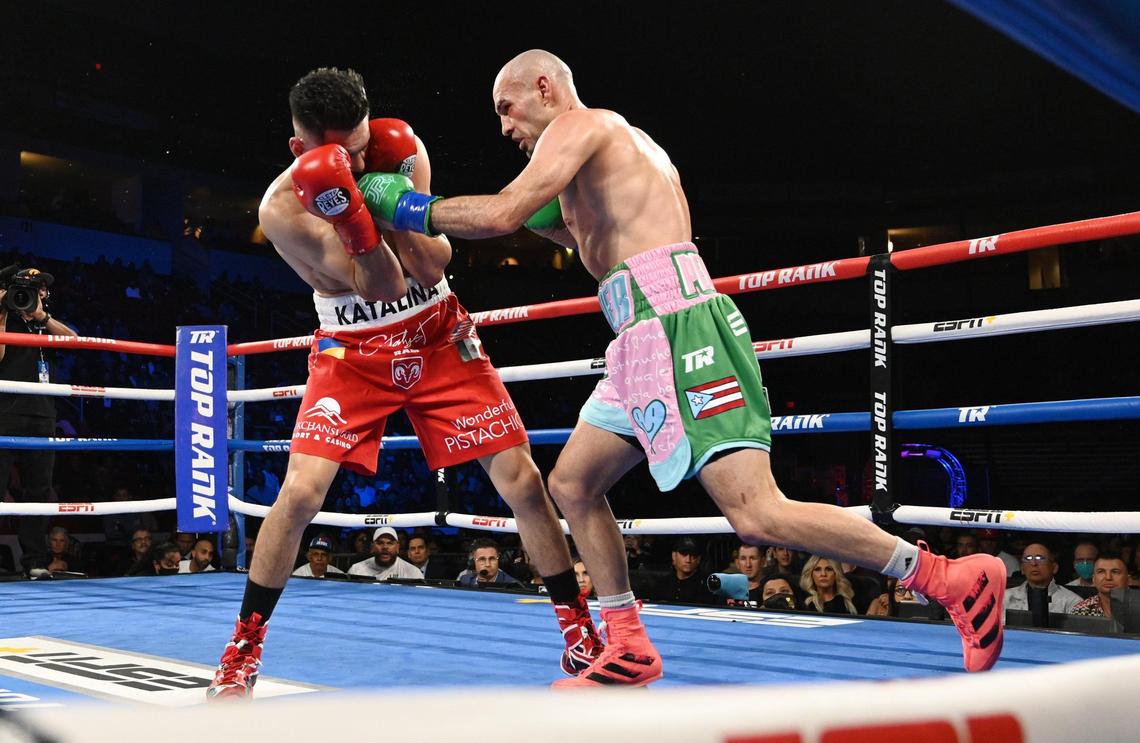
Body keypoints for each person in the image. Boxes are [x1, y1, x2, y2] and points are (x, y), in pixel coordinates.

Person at [369, 49, 1007, 685]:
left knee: (756, 513)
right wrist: (551, 221)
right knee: (573, 485)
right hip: (640, 335)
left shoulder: (582, 125)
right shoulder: (614, 149)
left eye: (507, 109)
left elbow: (503, 213)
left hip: (677, 325)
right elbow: (590, 240)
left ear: (544, 87)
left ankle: (947, 577)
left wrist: (405, 207)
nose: (505, 127)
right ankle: (626, 640)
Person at [206, 67, 599, 699]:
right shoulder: (283, 211)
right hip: (354, 348)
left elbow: (432, 260)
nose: (361, 161)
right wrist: (357, 217)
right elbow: (380, 284)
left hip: (438, 332)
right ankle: (242, 651)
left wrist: (391, 197)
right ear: (299, 150)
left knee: (522, 480)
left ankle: (579, 633)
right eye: (344, 155)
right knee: (301, 494)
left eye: (364, 147)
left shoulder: (398, 147)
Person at [0, 264, 78, 565]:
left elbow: (74, 341)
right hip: (5, 414)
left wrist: (41, 316)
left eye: (40, 289)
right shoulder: (5, 319)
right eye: (29, 289)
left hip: (43, 415)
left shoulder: (45, 323)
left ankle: (34, 560)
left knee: (39, 491)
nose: (35, 293)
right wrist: (3, 313)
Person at [1004, 543, 1082, 617]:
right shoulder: (1005, 597)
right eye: (1028, 558)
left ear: (1054, 567)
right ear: (1022, 568)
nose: (1033, 563)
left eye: (1040, 558)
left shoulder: (1072, 601)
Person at [1069, 553, 1130, 620]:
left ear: (1128, 579)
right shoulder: (1081, 610)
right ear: (1094, 579)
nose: (1108, 577)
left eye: (1115, 572)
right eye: (1101, 572)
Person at [348, 527, 423, 580]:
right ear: (373, 547)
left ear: (397, 547)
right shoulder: (356, 570)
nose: (385, 547)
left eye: (390, 543)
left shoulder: (413, 572)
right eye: (380, 543)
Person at [456, 537, 520, 587]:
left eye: (492, 559)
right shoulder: (464, 580)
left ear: (498, 559)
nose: (487, 564)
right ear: (474, 560)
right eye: (482, 559)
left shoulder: (512, 585)